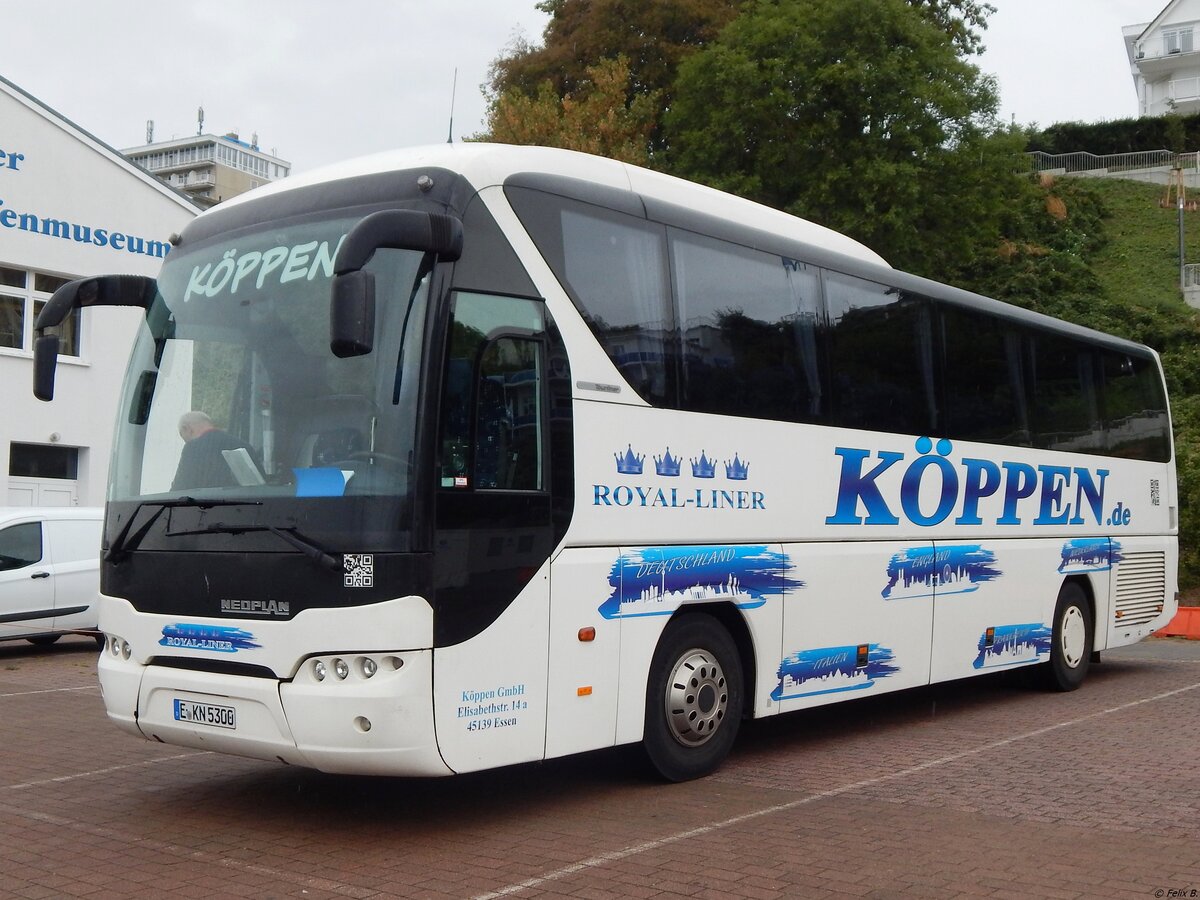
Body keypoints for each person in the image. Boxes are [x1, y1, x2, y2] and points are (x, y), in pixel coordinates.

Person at [171, 411, 251, 491]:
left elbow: (179, 489)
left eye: (183, 437)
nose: (186, 442)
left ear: (187, 429)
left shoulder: (192, 448)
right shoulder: (244, 445)